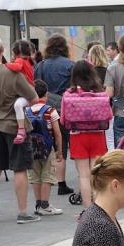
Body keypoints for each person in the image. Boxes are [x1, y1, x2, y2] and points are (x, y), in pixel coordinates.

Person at [0, 35, 40, 225]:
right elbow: (34, 98)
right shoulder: (12, 73)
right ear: (2, 51)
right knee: (20, 168)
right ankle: (22, 212)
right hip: (14, 126)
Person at [63, 60, 109, 213]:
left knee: (83, 175)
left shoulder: (69, 94)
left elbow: (64, 119)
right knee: (96, 173)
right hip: (97, 135)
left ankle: (88, 209)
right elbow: (108, 115)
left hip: (78, 135)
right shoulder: (100, 92)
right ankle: (99, 207)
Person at [35, 34, 75, 196]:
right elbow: (74, 88)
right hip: (65, 108)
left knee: (49, 145)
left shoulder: (41, 65)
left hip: (44, 109)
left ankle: (46, 180)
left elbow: (36, 87)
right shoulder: (70, 65)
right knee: (63, 144)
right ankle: (62, 183)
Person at [27, 79, 64, 216]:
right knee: (47, 176)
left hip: (31, 148)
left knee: (35, 176)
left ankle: (38, 204)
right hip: (47, 148)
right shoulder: (50, 111)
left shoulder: (27, 110)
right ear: (46, 94)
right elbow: (57, 133)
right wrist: (59, 151)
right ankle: (45, 204)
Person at [5, 40, 35, 145]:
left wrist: (5, 65)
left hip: (27, 93)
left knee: (18, 105)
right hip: (28, 92)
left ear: (15, 51)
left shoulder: (20, 60)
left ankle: (21, 130)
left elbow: (16, 67)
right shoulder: (28, 61)